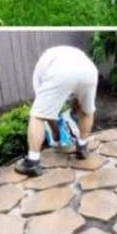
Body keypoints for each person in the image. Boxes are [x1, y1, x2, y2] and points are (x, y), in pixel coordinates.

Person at [16, 45, 98, 177]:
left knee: (37, 115)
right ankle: (82, 147)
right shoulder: (69, 54)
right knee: (88, 111)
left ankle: (32, 161)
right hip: (89, 70)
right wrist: (77, 104)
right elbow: (80, 104)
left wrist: (56, 133)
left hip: (61, 70)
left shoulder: (41, 71)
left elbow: (45, 114)